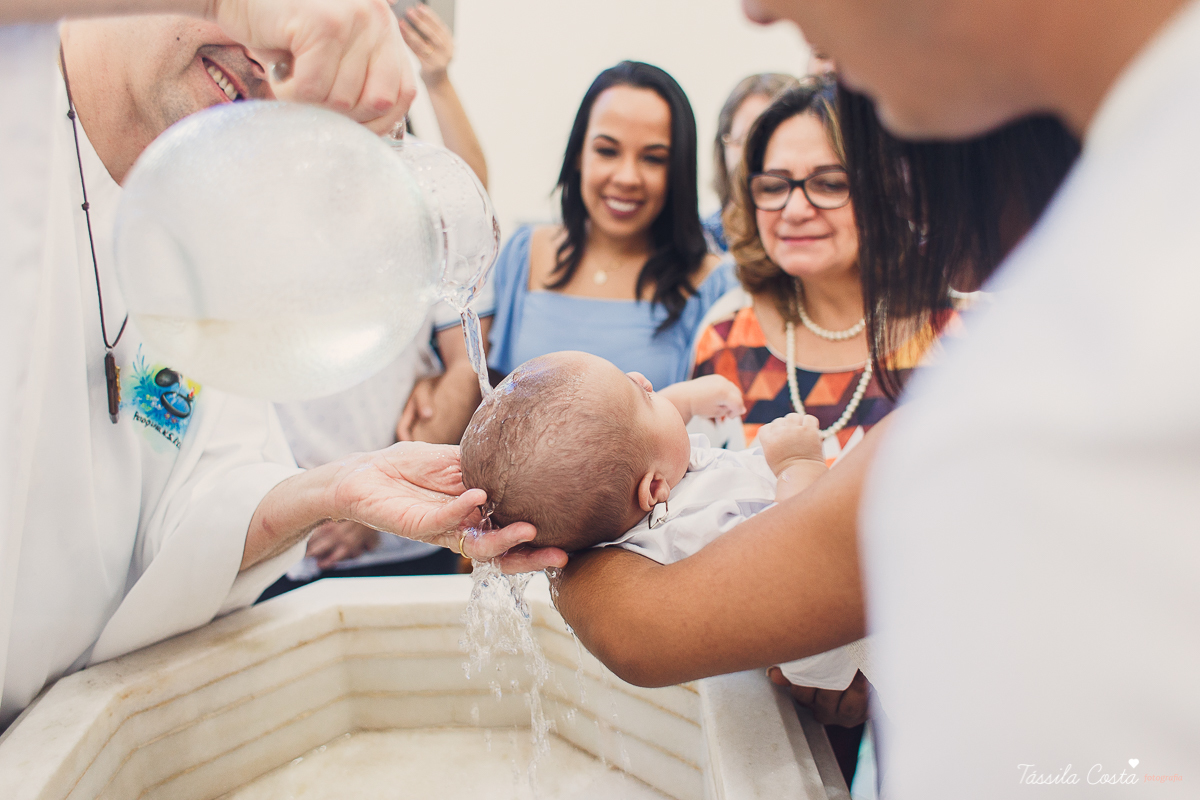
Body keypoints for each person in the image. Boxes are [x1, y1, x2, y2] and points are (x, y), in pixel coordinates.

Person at [555, 0, 1199, 797]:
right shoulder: (1107, 255)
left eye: (832, 181)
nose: (756, 11)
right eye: (773, 185)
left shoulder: (1037, 353)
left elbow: (656, 624)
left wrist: (545, 517)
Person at [0, 1, 561, 731]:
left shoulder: (209, 238)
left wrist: (332, 491)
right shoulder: (22, 85)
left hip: (59, 740)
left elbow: (203, 495)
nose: (268, 63)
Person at [462, 350, 863, 690]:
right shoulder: (695, 533)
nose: (643, 379)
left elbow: (633, 442)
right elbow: (799, 568)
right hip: (850, 626)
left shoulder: (641, 495)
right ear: (654, 489)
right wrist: (799, 465)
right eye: (645, 396)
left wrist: (684, 400)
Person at [487, 61, 736, 393]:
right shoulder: (524, 254)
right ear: (578, 153)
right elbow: (487, 394)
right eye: (607, 151)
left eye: (653, 158)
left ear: (677, 170)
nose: (627, 178)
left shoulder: (714, 285)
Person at [704, 72, 800, 253]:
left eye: (770, 140)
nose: (754, 155)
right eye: (744, 139)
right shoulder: (700, 243)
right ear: (723, 147)